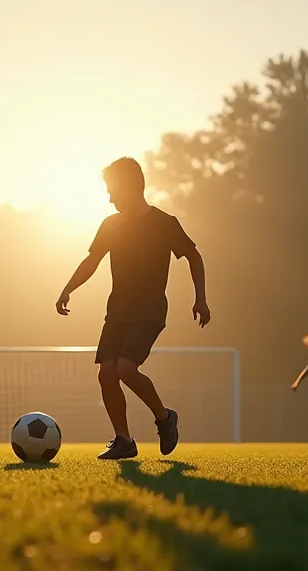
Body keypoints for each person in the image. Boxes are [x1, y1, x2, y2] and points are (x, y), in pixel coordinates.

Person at [56, 157, 209, 460]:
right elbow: (92, 261)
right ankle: (123, 440)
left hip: (150, 310)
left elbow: (193, 256)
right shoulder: (111, 225)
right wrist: (69, 287)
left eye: (113, 190)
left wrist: (200, 297)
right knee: (107, 375)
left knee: (125, 368)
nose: (110, 197)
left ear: (130, 186)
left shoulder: (165, 223)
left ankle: (165, 417)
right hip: (118, 312)